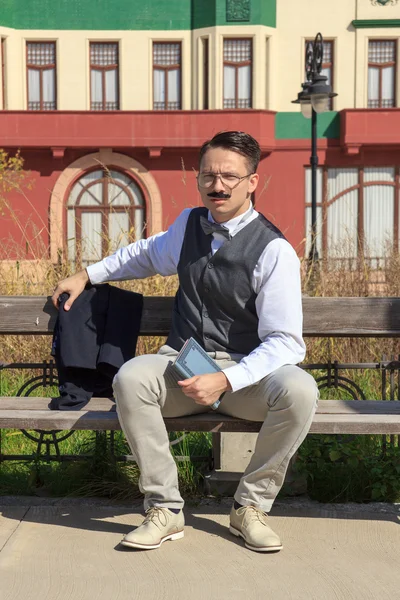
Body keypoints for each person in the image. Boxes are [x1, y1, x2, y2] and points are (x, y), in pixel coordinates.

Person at [52, 131, 318, 553]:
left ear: (253, 181)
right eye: (208, 175)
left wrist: (227, 379)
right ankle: (165, 509)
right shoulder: (189, 225)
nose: (218, 185)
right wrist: (88, 274)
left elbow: (286, 343)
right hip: (182, 366)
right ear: (198, 179)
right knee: (131, 378)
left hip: (244, 378)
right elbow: (142, 254)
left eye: (230, 176)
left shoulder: (275, 251)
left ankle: (250, 506)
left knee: (301, 390)